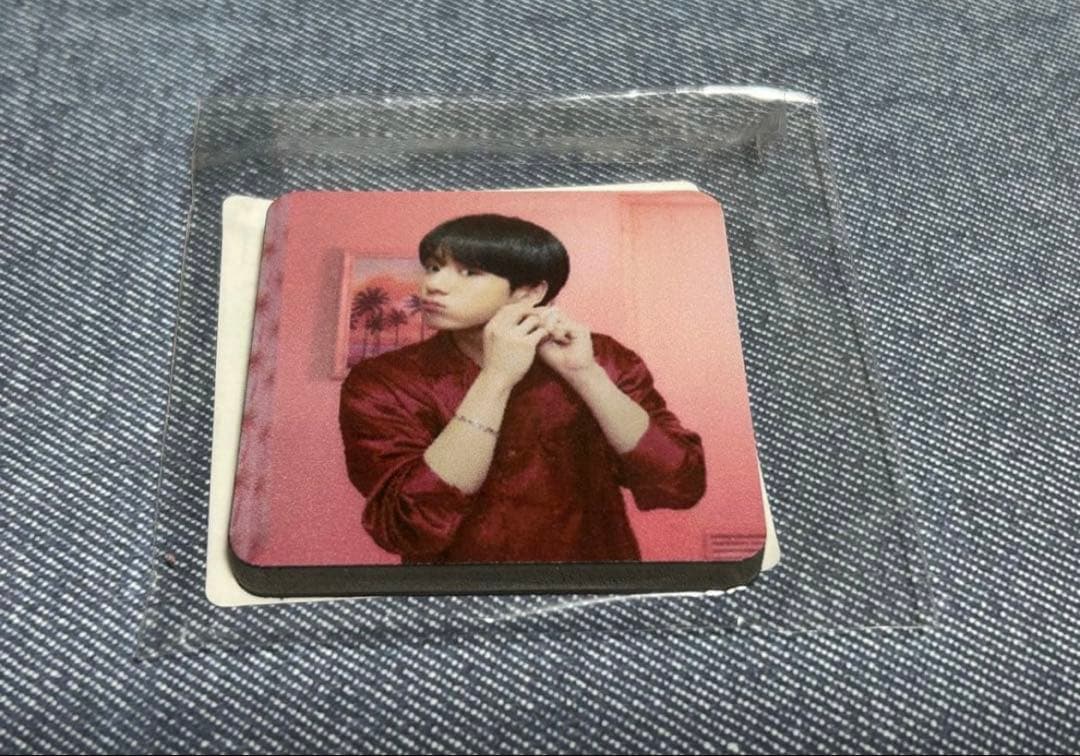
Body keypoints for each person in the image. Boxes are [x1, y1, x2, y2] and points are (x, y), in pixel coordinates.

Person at [339, 213, 706, 564]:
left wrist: (586, 375)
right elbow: (407, 523)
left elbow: (679, 482)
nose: (432, 284)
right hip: (460, 594)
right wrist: (496, 378)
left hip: (595, 583)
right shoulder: (384, 381)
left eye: (470, 272)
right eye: (434, 267)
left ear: (530, 292)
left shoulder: (603, 357)